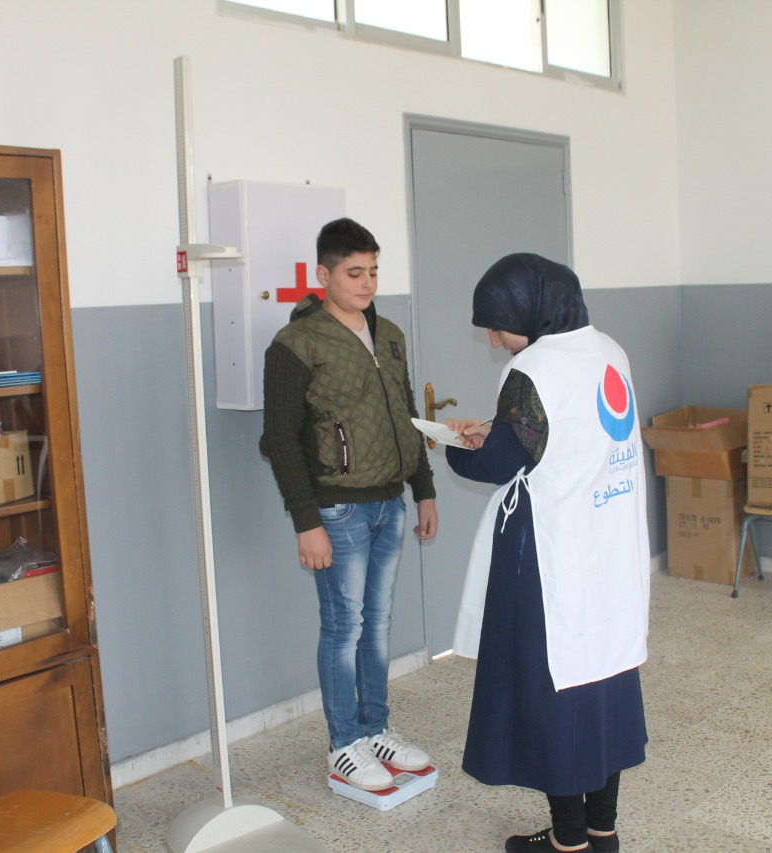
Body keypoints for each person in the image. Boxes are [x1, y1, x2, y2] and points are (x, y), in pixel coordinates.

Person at [445, 253, 650, 853]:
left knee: (553, 692)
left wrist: (457, 446)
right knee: (605, 684)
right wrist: (500, 433)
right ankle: (602, 831)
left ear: (528, 313)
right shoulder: (610, 351)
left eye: (497, 325)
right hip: (610, 546)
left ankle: (568, 842)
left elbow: (502, 462)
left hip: (552, 553)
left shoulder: (532, 368)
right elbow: (565, 435)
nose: (493, 339)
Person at [260, 217, 439, 792]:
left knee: (377, 624)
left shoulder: (389, 334)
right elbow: (279, 440)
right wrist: (306, 521)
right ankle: (344, 744)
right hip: (336, 511)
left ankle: (375, 729)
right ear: (324, 275)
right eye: (354, 273)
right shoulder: (296, 345)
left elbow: (406, 417)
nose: (366, 284)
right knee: (344, 626)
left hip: (390, 503)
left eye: (373, 272)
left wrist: (424, 489)